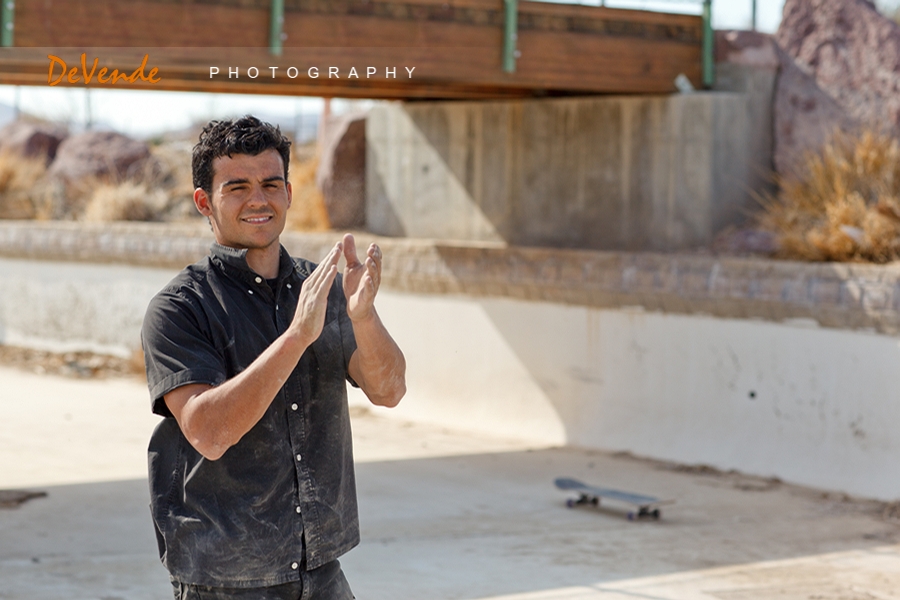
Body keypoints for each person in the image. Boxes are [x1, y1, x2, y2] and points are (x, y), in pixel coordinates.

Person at [141, 115, 406, 600]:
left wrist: (363, 317)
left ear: (288, 191)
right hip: (225, 579)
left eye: (270, 184)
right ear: (205, 202)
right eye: (237, 187)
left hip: (322, 570)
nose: (258, 199)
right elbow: (209, 433)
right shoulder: (179, 308)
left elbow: (389, 390)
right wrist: (297, 336)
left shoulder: (322, 290)